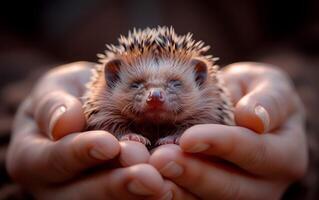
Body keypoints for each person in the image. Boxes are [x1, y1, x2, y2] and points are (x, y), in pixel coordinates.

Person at [6, 61, 308, 199]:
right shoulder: (105, 113)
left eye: (175, 84)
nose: (155, 95)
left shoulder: (209, 110)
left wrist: (308, 127)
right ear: (111, 79)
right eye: (136, 85)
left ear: (201, 80)